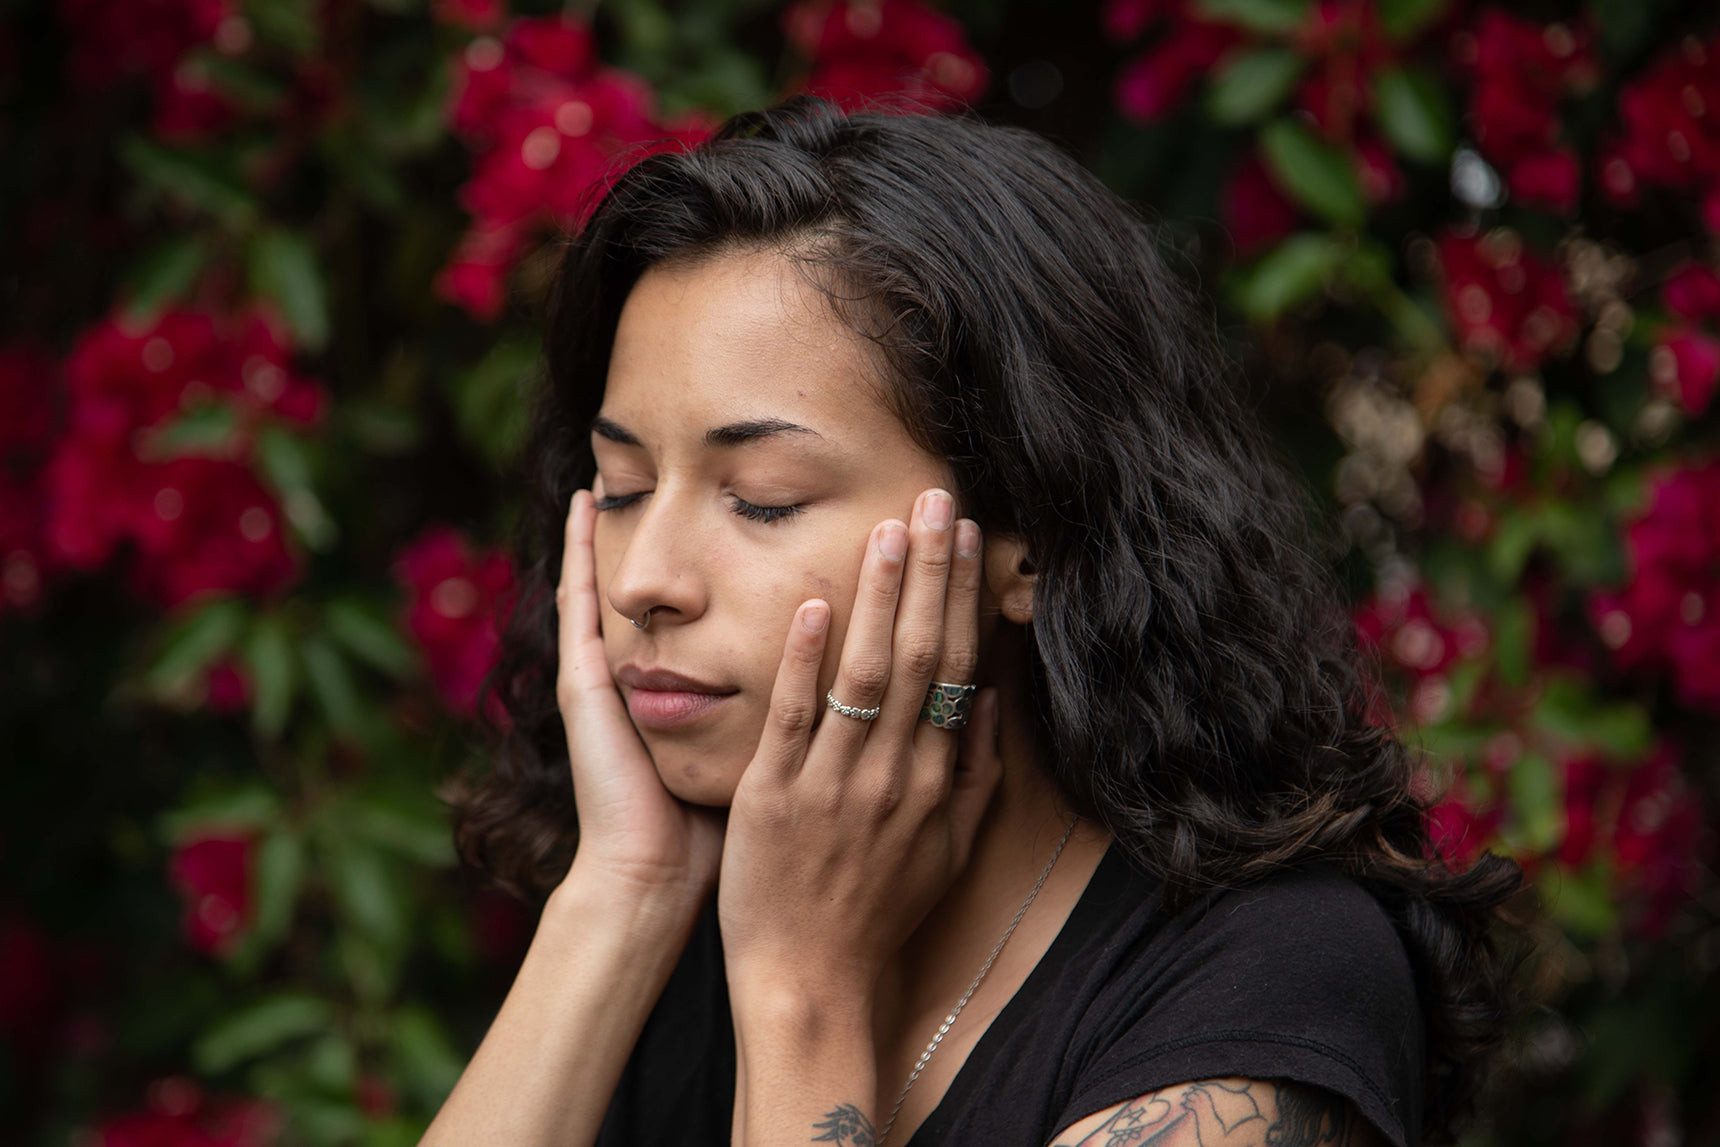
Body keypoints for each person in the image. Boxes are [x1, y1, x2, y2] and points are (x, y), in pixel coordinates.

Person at [422, 97, 1523, 1147]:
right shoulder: (671, 908)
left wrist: (801, 991)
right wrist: (621, 896)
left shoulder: (1266, 983)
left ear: (1031, 539)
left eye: (762, 496)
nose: (643, 577)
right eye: (618, 487)